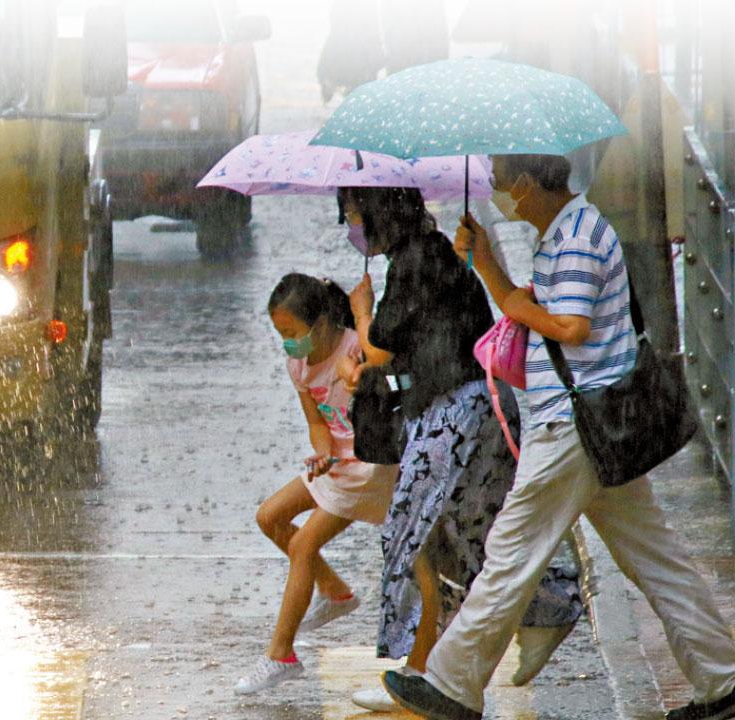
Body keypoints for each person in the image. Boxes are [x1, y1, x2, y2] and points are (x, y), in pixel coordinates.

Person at [382, 155, 735, 720]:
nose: (495, 189)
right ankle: (722, 682)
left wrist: (498, 281)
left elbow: (570, 327)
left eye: (499, 179)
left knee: (511, 554)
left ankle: (451, 684)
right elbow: (554, 313)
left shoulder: (574, 236)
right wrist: (493, 270)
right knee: (657, 558)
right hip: (592, 428)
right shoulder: (568, 231)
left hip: (572, 425)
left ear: (526, 183)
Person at [339, 186, 584, 713]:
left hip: (457, 417)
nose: (352, 227)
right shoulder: (424, 255)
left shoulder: (415, 261)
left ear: (378, 214)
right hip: (473, 411)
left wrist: (360, 312)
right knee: (467, 539)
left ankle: (430, 665)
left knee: (416, 540)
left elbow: (381, 345)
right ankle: (436, 666)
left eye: (355, 215)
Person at [234, 274, 398, 695]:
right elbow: (316, 422)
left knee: (303, 545)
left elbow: (389, 366)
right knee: (270, 516)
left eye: (291, 333)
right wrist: (321, 452)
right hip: (338, 463)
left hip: (369, 465)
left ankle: (280, 656)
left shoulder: (354, 346)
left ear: (322, 321)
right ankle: (336, 592)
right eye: (280, 335)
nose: (287, 343)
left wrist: (362, 355)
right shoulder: (299, 365)